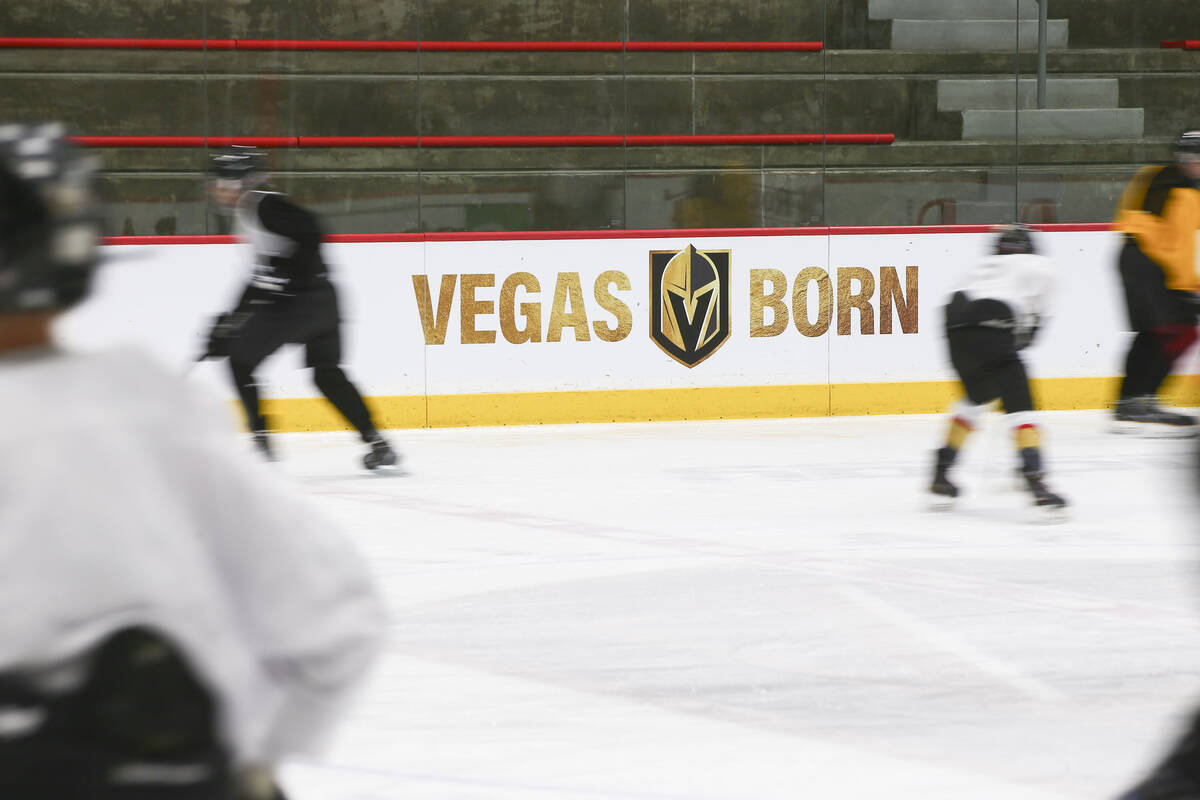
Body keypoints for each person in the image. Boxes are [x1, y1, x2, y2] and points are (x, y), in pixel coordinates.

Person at [0, 124, 386, 798]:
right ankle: (309, 441)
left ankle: (311, 438)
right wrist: (254, 762)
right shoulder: (147, 404)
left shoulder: (263, 208)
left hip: (310, 303)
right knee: (292, 370)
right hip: (176, 768)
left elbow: (300, 238)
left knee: (309, 373)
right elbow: (337, 620)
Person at [204, 146, 398, 470]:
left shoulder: (263, 205)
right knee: (327, 374)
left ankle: (262, 447)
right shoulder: (250, 211)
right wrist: (230, 321)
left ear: (247, 182)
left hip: (303, 302)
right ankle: (378, 442)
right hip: (323, 299)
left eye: (227, 182)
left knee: (240, 362)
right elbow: (260, 277)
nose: (220, 189)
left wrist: (288, 273)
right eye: (218, 182)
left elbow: (312, 230)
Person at [929, 223, 1067, 514]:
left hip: (954, 325)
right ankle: (1035, 480)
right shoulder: (1043, 267)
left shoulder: (980, 267)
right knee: (1021, 407)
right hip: (995, 320)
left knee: (977, 397)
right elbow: (1031, 333)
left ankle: (941, 472)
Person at [1112, 130, 1200, 432]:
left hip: (1143, 261)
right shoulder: (1178, 189)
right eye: (1190, 158)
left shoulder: (1164, 179)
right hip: (1146, 262)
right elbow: (1169, 243)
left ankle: (1135, 400)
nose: (1192, 163)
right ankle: (1136, 401)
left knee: (1166, 332)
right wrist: (1188, 285)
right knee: (1169, 331)